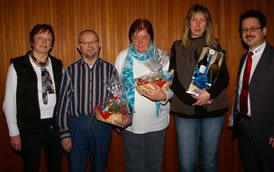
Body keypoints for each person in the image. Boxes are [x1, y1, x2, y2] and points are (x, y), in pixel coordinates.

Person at [56, 29, 131, 172]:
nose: (90, 45)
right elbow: (62, 104)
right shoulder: (70, 70)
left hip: (102, 125)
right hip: (76, 125)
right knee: (76, 167)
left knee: (99, 166)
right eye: (85, 42)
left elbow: (117, 98)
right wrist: (64, 133)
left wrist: (121, 116)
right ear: (79, 46)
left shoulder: (109, 69)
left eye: (93, 42)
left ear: (99, 45)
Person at [231, 9, 274, 172]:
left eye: (253, 28)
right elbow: (241, 90)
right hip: (244, 127)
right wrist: (234, 116)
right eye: (244, 29)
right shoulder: (244, 59)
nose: (248, 32)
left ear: (264, 30)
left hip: (268, 133)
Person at [169, 4, 229, 172]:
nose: (197, 24)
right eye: (194, 19)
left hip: (213, 110)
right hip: (185, 110)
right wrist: (192, 99)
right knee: (186, 165)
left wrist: (208, 94)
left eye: (202, 20)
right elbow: (172, 78)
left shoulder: (215, 45)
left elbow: (224, 77)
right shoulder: (177, 46)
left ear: (207, 24)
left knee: (209, 163)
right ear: (188, 23)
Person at [115, 18, 173, 172]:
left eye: (145, 37)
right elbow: (117, 91)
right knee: (134, 165)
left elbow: (172, 88)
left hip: (157, 122)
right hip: (131, 123)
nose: (140, 42)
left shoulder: (162, 57)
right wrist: (119, 114)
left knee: (154, 165)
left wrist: (162, 96)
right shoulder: (122, 57)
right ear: (131, 38)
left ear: (151, 38)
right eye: (136, 37)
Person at [3, 24, 63, 172]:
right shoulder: (18, 66)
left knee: (56, 167)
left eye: (48, 39)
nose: (44, 42)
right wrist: (13, 132)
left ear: (51, 44)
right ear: (32, 42)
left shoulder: (57, 64)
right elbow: (8, 103)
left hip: (54, 127)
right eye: (40, 38)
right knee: (31, 167)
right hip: (30, 128)